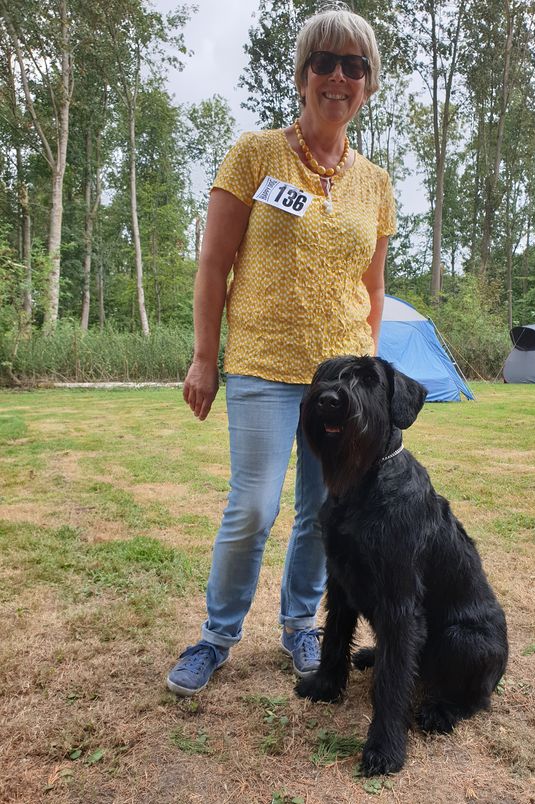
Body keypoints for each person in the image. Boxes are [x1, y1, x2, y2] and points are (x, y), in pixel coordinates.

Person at [166, 6, 396, 696]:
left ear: (368, 85)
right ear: (301, 76)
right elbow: (213, 264)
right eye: (324, 61)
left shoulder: (375, 183)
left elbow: (373, 288)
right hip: (263, 364)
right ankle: (216, 635)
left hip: (344, 379)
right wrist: (205, 357)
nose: (338, 76)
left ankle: (300, 624)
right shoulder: (254, 152)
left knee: (321, 513)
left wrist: (371, 378)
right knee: (254, 507)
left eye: (354, 66)